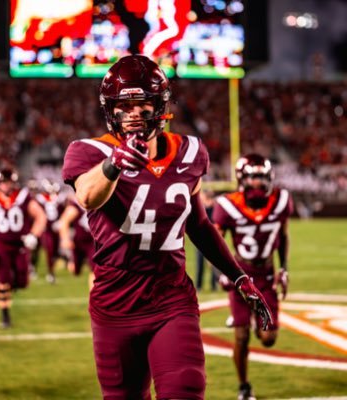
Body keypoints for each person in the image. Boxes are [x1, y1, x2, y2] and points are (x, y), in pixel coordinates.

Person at [62, 54, 273, 400]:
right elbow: (87, 196)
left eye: (141, 104)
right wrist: (114, 164)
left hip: (171, 296)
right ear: (109, 110)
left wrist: (239, 277)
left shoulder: (190, 153)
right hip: (115, 304)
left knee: (186, 389)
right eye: (123, 106)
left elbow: (199, 224)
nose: (132, 114)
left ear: (159, 107)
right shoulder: (89, 151)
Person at [212, 153, 293, 400]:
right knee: (241, 335)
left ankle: (258, 320)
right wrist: (223, 273)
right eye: (253, 177)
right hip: (241, 276)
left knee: (268, 338)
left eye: (262, 177)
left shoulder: (281, 201)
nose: (258, 183)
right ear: (242, 179)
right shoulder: (228, 205)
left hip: (266, 275)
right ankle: (244, 385)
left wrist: (284, 268)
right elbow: (215, 241)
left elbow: (283, 236)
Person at [0, 168, 47, 328]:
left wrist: (33, 235)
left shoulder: (22, 196)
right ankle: (5, 316)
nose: (6, 185)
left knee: (23, 282)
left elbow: (40, 216)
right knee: (2, 282)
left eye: (8, 181)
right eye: (3, 182)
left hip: (20, 245)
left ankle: (14, 284)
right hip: (1, 245)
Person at [58, 193, 96, 290]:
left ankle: (94, 295)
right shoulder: (77, 204)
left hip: (94, 242)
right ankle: (70, 262)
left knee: (95, 269)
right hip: (79, 242)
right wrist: (65, 239)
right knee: (75, 271)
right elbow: (64, 221)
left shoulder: (101, 200)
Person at [195, 189, 219, 292]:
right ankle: (199, 285)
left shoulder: (215, 210)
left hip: (211, 240)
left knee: (213, 264)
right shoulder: (201, 209)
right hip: (201, 240)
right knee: (200, 264)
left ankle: (214, 285)